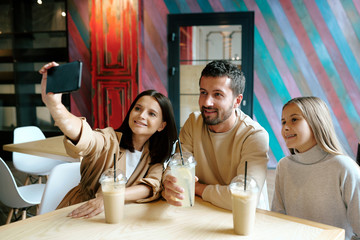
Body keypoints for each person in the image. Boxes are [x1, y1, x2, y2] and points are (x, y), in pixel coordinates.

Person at [39, 62, 178, 218]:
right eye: (138, 108)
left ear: (161, 126)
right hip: (81, 213)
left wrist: (112, 196)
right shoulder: (110, 140)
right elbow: (88, 138)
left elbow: (152, 186)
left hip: (119, 218)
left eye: (152, 114)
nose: (141, 115)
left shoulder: (154, 155)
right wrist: (56, 107)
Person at [162, 60, 269, 210]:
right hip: (204, 211)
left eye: (217, 95)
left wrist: (198, 188)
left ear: (237, 101)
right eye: (203, 93)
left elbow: (246, 197)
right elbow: (177, 166)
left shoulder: (253, 135)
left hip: (246, 220)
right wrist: (169, 181)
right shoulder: (193, 122)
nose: (207, 102)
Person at [272, 96, 360, 240]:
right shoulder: (284, 166)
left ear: (316, 122)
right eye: (283, 122)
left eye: (294, 119)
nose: (285, 127)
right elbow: (277, 217)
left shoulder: (345, 168)